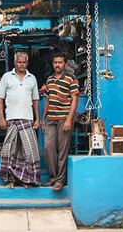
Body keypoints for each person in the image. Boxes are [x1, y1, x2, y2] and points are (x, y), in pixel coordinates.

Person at [0, 51, 41, 189]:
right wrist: (1, 118)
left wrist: (37, 118)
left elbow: (35, 100)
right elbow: (0, 98)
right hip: (12, 119)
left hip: (27, 119)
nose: (22, 65)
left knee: (29, 152)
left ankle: (27, 180)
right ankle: (12, 180)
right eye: (19, 62)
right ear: (15, 63)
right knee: (10, 151)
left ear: (27, 63)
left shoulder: (31, 78)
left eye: (24, 62)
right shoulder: (6, 77)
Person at [42, 51, 79, 191]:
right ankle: (53, 177)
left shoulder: (71, 78)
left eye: (60, 62)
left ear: (65, 64)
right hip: (51, 119)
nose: (57, 65)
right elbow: (47, 99)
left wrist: (69, 119)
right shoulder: (50, 79)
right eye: (55, 62)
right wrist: (43, 118)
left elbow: (75, 99)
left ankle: (60, 180)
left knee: (63, 150)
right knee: (48, 147)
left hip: (64, 119)